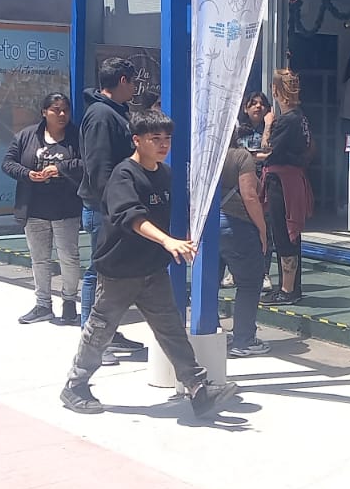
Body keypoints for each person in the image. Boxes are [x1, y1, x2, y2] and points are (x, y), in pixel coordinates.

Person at [60, 108, 239, 416]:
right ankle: (75, 386)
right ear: (137, 140)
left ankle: (198, 389)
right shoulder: (124, 175)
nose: (163, 144)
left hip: (152, 269)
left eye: (167, 138)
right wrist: (168, 241)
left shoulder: (165, 174)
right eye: (155, 138)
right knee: (100, 330)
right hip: (119, 271)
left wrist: (180, 237)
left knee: (171, 329)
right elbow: (132, 217)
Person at [76, 58, 145, 362]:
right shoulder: (102, 116)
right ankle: (92, 341)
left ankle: (108, 333)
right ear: (122, 80)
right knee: (98, 271)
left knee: (111, 275)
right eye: (133, 81)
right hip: (104, 208)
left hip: (113, 206)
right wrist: (115, 206)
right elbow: (99, 168)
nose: (135, 88)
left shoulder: (115, 112)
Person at [2, 92, 84, 325]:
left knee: (69, 258)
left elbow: (87, 163)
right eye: (56, 110)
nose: (62, 114)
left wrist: (60, 169)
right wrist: (28, 174)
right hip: (34, 208)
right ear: (44, 112)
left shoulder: (77, 136)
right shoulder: (26, 136)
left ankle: (69, 303)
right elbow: (7, 163)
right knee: (39, 259)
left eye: (65, 110)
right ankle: (43, 305)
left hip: (66, 208)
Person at [260, 69, 315, 307]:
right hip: (294, 178)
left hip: (282, 182)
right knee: (292, 233)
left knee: (283, 233)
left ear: (275, 90)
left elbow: (268, 149)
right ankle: (292, 286)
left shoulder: (285, 121)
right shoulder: (300, 118)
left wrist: (267, 125)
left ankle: (287, 289)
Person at [218, 126, 272, 357]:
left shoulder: (204, 157)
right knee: (250, 282)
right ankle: (244, 339)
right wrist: (262, 230)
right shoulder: (241, 156)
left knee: (209, 282)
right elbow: (249, 195)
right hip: (236, 224)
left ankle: (212, 333)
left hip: (207, 226)